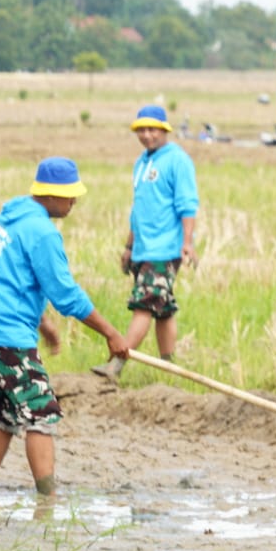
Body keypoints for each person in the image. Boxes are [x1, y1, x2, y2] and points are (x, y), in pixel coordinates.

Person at [0, 158, 129, 495]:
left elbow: (15, 280)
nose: (74, 202)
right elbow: (66, 295)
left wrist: (44, 324)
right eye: (69, 196)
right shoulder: (42, 233)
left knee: (6, 415)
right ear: (49, 196)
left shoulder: (15, 213)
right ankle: (48, 500)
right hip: (3, 334)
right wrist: (111, 333)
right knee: (41, 412)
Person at [92, 105, 199, 382]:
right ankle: (168, 367)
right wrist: (129, 246)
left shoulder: (177, 160)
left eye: (153, 130)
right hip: (143, 248)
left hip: (165, 249)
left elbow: (188, 205)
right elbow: (138, 208)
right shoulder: (141, 163)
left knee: (145, 305)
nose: (147, 135)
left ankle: (116, 365)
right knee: (162, 308)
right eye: (142, 130)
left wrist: (187, 242)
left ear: (165, 130)